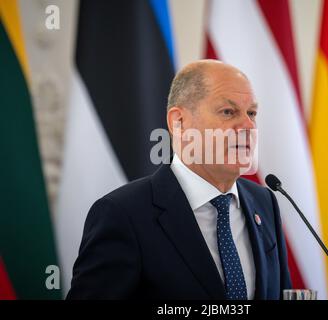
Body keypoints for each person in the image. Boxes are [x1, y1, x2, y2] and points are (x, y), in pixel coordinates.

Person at [67, 60, 292, 300]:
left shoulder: (264, 201)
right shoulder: (122, 214)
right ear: (179, 122)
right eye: (228, 112)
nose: (248, 125)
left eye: (252, 113)